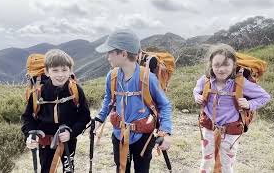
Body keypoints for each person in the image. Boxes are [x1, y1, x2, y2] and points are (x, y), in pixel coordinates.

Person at [94, 29, 172, 173]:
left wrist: (165, 132)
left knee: (142, 170)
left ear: (123, 54)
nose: (107, 56)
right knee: (121, 169)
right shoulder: (112, 76)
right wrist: (100, 117)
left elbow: (165, 105)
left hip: (143, 138)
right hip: (119, 135)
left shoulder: (148, 78)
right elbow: (109, 99)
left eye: (110, 52)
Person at [193, 44, 271, 173]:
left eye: (226, 65)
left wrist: (250, 104)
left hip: (230, 132)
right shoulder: (205, 80)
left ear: (234, 65)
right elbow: (196, 90)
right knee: (206, 159)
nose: (221, 69)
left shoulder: (241, 84)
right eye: (217, 65)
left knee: (226, 165)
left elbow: (264, 96)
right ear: (211, 65)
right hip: (208, 128)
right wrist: (197, 96)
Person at [21, 49, 91, 173]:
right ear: (47, 72)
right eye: (55, 70)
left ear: (70, 71)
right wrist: (30, 135)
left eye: (64, 70)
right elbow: (27, 117)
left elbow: (84, 116)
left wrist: (72, 133)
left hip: (68, 140)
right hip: (45, 142)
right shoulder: (38, 93)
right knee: (47, 170)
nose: (60, 75)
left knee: (68, 170)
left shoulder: (75, 90)